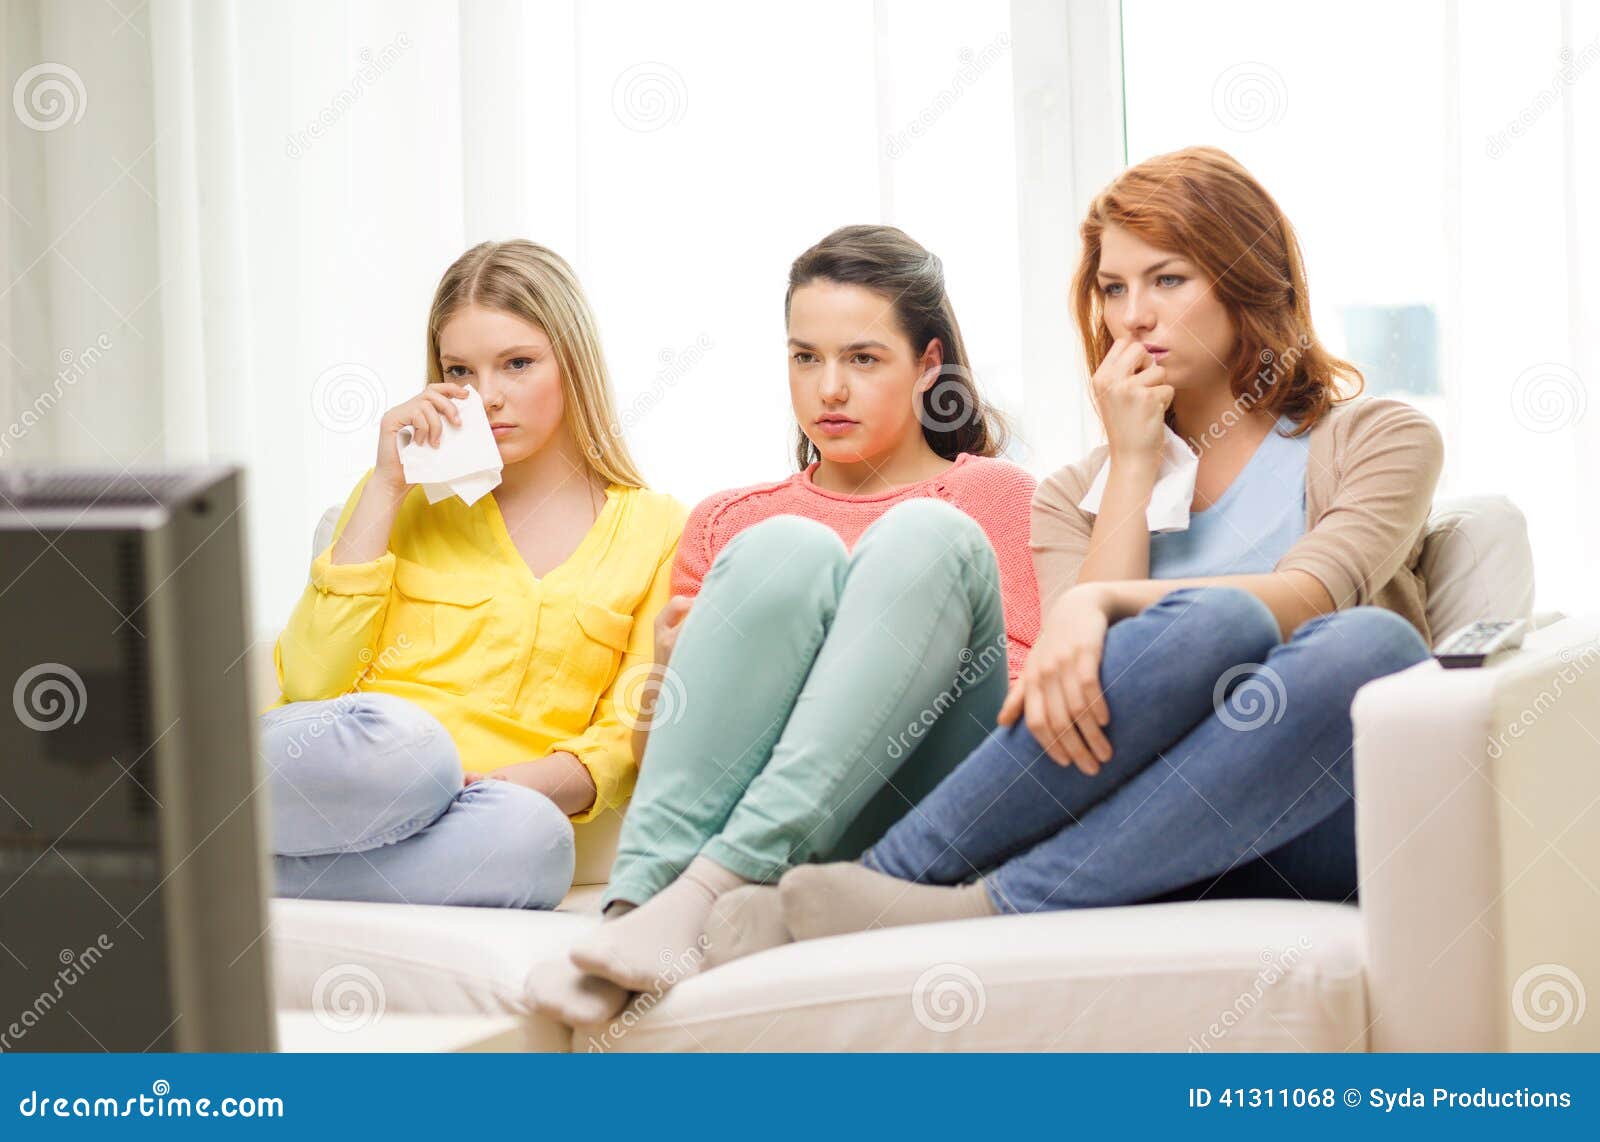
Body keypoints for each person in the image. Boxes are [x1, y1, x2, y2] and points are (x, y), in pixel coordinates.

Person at [716, 146, 1442, 950]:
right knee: (1207, 628)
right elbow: (1076, 690)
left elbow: (1310, 598)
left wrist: (1099, 599)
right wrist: (1133, 462)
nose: (1133, 315)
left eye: (1168, 279)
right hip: (1121, 826)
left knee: (1367, 644)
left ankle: (948, 890)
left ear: (1247, 280)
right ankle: (906, 887)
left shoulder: (1376, 438)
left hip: (1308, 810)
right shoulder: (1070, 497)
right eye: (1112, 288)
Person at [530, 224, 1041, 1024]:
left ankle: (704, 888)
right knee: (785, 548)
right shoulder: (729, 522)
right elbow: (656, 758)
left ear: (929, 367)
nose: (828, 389)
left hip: (923, 813)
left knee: (923, 535)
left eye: (863, 359)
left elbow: (1018, 714)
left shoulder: (997, 497)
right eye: (806, 357)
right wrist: (669, 672)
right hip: (768, 834)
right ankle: (637, 910)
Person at [261, 240, 685, 910]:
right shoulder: (401, 498)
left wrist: (523, 782)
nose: (487, 396)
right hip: (349, 764)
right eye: (461, 370)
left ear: (572, 364)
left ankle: (227, 874)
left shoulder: (658, 529)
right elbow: (311, 683)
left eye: (517, 363)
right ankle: (198, 811)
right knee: (413, 750)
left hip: (481, 805)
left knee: (537, 845)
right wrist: (385, 486)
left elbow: (623, 728)